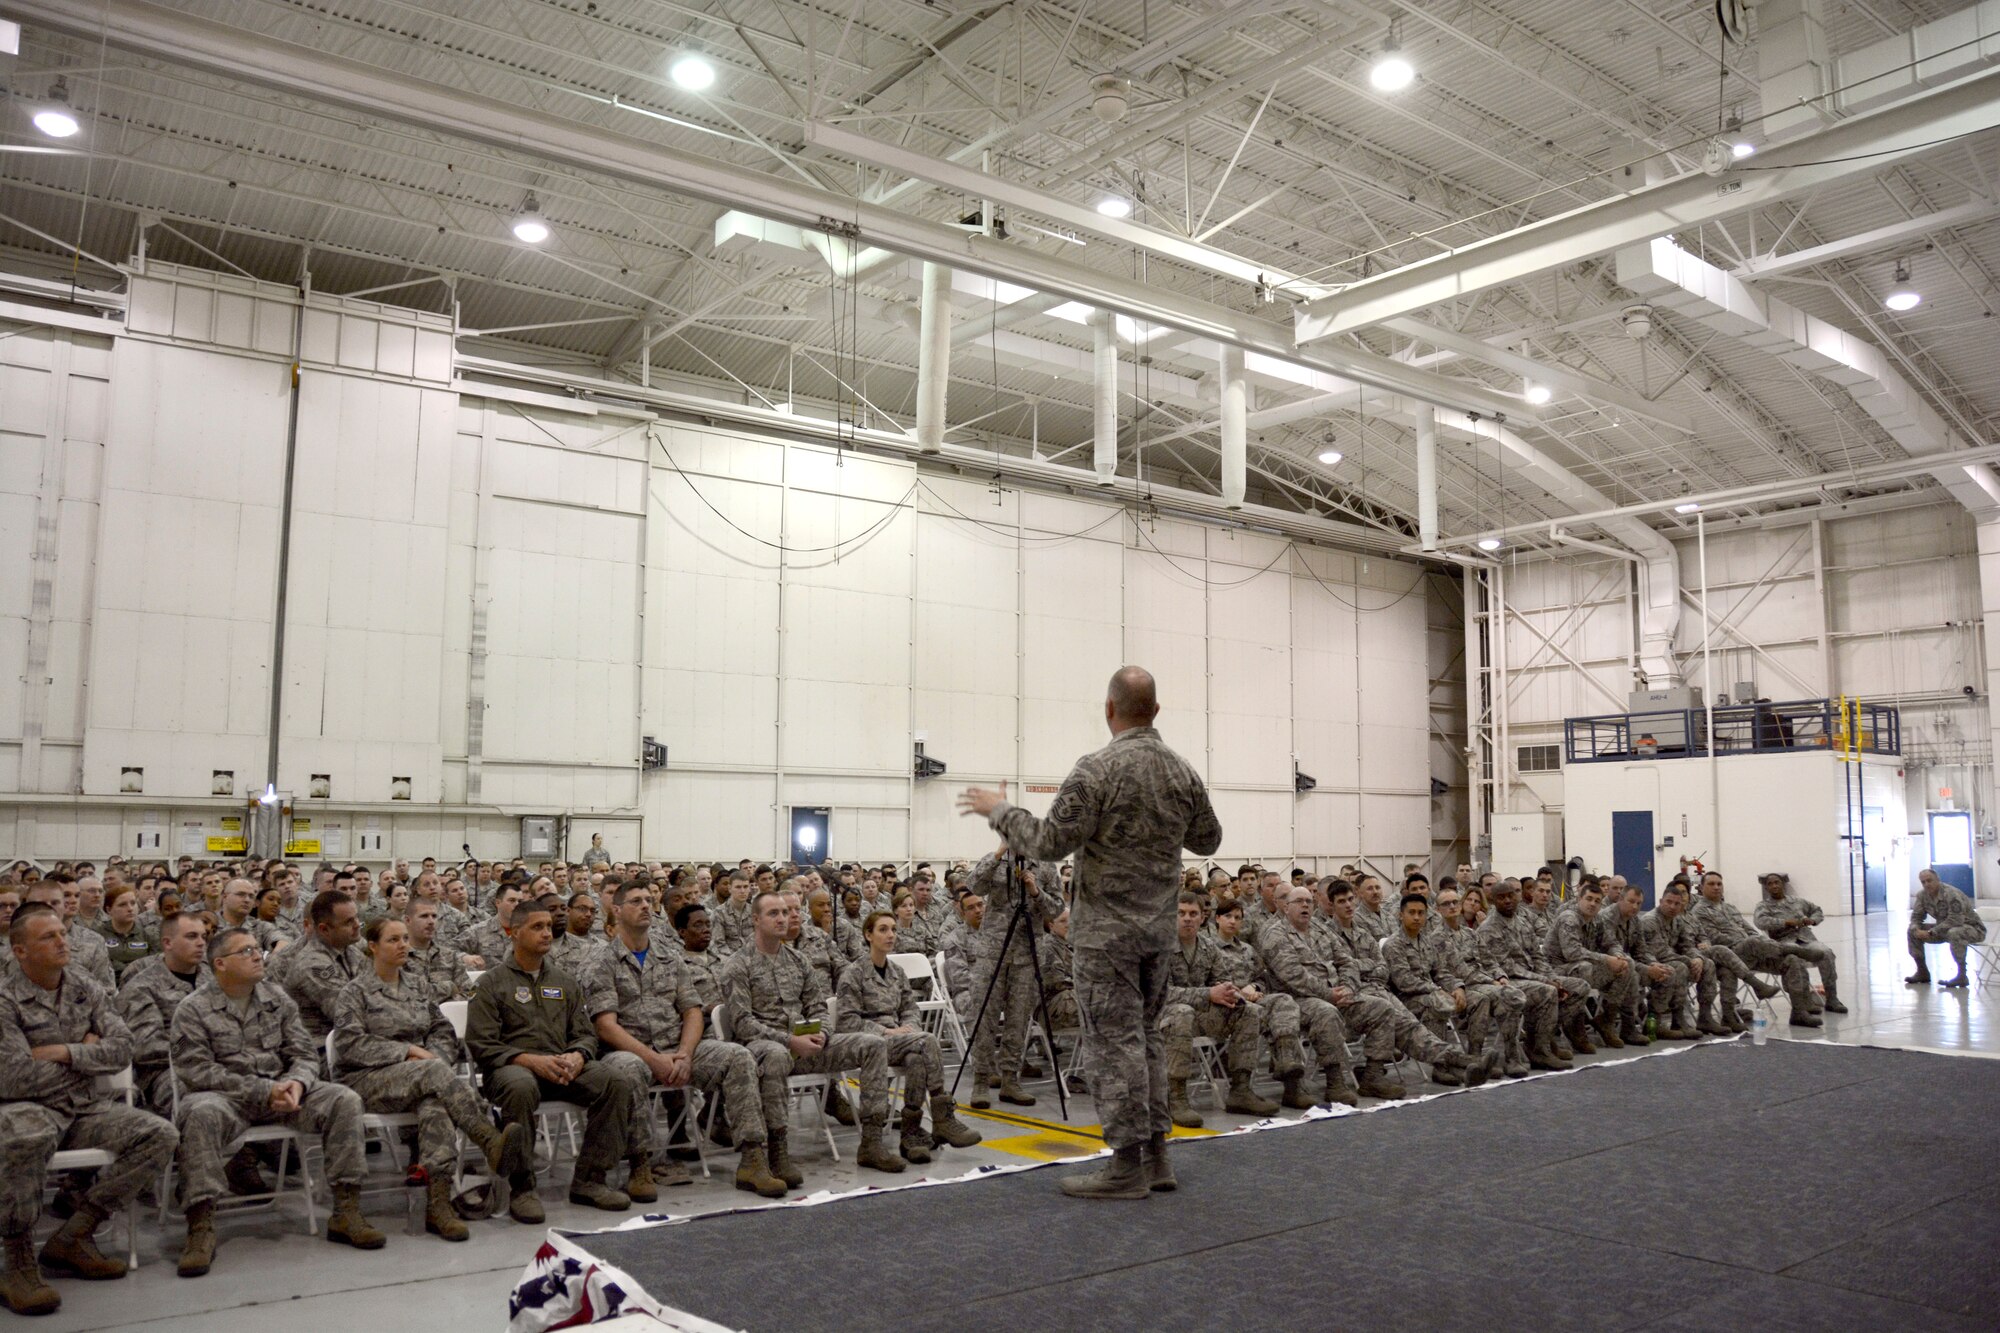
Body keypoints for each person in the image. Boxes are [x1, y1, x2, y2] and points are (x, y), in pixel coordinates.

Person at [958, 666, 1222, 1200]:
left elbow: (1049, 842)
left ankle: (1125, 1167)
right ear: (1157, 710)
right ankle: (1156, 1156)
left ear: (1109, 709)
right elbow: (1209, 840)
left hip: (1106, 936)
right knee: (1145, 1038)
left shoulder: (1097, 769)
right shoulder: (1183, 771)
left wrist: (1000, 810)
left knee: (1112, 1047)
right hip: (1158, 934)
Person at [171, 926, 384, 1276]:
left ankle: (346, 1211)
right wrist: (262, 1090)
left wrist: (296, 1084)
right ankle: (201, 1227)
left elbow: (303, 1052)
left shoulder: (277, 998)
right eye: (246, 951)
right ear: (219, 964)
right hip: (229, 1098)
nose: (258, 955)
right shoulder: (193, 1009)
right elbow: (195, 1070)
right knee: (199, 1113)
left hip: (282, 1093)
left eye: (258, 949)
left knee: (342, 1099)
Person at [0, 907, 179, 1314]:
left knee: (159, 1134)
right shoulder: (4, 998)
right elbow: (11, 1078)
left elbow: (123, 1048)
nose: (63, 941)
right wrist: (89, 1054)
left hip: (84, 1108)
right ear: (20, 951)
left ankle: (76, 1233)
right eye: (49, 937)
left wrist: (64, 1052)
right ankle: (17, 1261)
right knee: (26, 1136)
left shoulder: (85, 986)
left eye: (63, 932)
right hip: (26, 1108)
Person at [586, 882, 787, 1199]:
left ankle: (753, 1159)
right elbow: (606, 1026)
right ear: (617, 909)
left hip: (677, 1050)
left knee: (737, 1056)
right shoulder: (601, 961)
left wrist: (685, 1054)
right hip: (628, 1051)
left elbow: (692, 1012)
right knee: (626, 1070)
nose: (644, 906)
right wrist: (654, 1059)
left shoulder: (669, 957)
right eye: (636, 901)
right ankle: (640, 1164)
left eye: (648, 901)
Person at [332, 918, 529, 1240]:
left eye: (405, 940)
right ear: (372, 947)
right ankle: (487, 1137)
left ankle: (437, 1204)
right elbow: (348, 1044)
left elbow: (441, 1029)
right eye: (393, 940)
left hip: (423, 1076)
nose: (403, 946)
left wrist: (432, 1053)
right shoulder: (354, 992)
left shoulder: (416, 985)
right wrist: (409, 1050)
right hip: (367, 1078)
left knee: (435, 1105)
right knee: (435, 1074)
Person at [465, 901, 636, 1222]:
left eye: (548, 926)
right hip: (510, 1071)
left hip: (561, 1068)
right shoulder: (491, 983)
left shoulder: (564, 981)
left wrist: (578, 1055)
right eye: (537, 927)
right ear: (515, 933)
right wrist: (528, 1060)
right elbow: (481, 1044)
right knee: (520, 1086)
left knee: (615, 1081)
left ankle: (589, 1179)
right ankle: (523, 1186)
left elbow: (585, 1034)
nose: (547, 932)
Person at [719, 892, 904, 1180]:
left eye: (785, 912)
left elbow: (819, 1006)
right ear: (756, 919)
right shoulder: (738, 965)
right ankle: (777, 1151)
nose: (783, 918)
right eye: (773, 914)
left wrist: (823, 1034)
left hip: (808, 1046)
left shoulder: (798, 960)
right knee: (778, 1055)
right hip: (765, 1050)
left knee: (873, 1043)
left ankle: (871, 1142)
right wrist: (790, 1041)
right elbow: (743, 1024)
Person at [835, 911, 983, 1164]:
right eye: (882, 929)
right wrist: (888, 1031)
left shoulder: (897, 971)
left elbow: (910, 1009)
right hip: (871, 1043)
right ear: (868, 935)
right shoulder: (853, 973)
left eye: (893, 929)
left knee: (916, 1057)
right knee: (926, 1042)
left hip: (902, 1040)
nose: (890, 934)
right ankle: (942, 1116)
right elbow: (847, 1021)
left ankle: (910, 1133)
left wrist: (910, 1027)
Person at [1322, 883, 1490, 1095]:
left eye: (1349, 899)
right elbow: (1337, 971)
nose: (1348, 905)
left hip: (1378, 991)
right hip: (1350, 997)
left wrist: (1455, 986)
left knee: (1410, 1027)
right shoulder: (1325, 935)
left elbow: (1382, 969)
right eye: (1341, 901)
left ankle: (1461, 1061)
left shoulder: (1363, 934)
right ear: (1331, 905)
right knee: (1403, 1012)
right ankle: (1455, 1062)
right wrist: (1363, 966)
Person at [1160, 893, 1279, 1125]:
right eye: (1181, 913)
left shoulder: (1207, 947)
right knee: (1181, 1012)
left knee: (1248, 1010)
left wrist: (1228, 992)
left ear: (1203, 918)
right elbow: (1159, 994)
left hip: (1199, 1016)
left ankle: (1240, 1090)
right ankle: (1176, 1097)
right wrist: (1208, 994)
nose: (1187, 919)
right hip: (1162, 1018)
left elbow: (1222, 979)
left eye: (1193, 914)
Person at [963, 848, 1063, 1109]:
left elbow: (1056, 909)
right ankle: (981, 1082)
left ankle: (1010, 1080)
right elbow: (974, 884)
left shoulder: (1046, 866)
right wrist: (997, 855)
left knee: (1018, 1020)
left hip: (1027, 953)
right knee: (984, 1018)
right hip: (992, 954)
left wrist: (1035, 891)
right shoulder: (994, 860)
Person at [1257, 887, 1360, 1109]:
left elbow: (1347, 961)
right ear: (1286, 907)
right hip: (1293, 1000)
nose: (1305, 905)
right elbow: (1293, 975)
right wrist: (1330, 994)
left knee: (1380, 1007)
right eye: (1299, 902)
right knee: (1325, 1012)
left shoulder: (1321, 930)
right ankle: (1334, 1082)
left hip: (1335, 994)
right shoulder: (1275, 935)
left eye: (1309, 902)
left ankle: (1373, 1075)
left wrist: (1348, 988)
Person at [114, 911, 212, 1113]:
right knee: (205, 1099)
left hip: (221, 1063)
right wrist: (197, 1042)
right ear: (167, 943)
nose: (201, 943)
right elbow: (147, 1049)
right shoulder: (142, 988)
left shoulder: (215, 980)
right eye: (192, 936)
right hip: (167, 1073)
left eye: (204, 936)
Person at [1687, 872, 1813, 1024]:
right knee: (1753, 942)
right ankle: (1796, 949)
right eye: (1711, 884)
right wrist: (1747, 942)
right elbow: (1714, 937)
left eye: (1719, 884)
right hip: (1730, 955)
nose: (1716, 887)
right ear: (1701, 888)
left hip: (1752, 954)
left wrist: (1754, 942)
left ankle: (1799, 1012)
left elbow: (1750, 929)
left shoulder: (1729, 907)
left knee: (1791, 960)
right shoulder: (1698, 911)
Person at [1474, 880, 1569, 1070]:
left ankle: (1542, 1042)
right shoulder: (1488, 928)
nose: (1508, 901)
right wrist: (1545, 980)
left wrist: (1553, 977)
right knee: (1547, 991)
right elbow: (1507, 967)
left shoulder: (1522, 922)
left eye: (1511, 896)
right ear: (1492, 901)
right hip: (1506, 980)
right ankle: (1538, 1051)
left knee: (1574, 987)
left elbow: (1537, 955)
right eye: (1501, 898)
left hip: (1532, 976)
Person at [1543, 883, 1634, 1049]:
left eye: (1597, 901)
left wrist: (1618, 956)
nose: (1592, 904)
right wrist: (1607, 959)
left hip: (1582, 967)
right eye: (1589, 899)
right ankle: (1575, 1025)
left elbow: (1611, 943)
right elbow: (1572, 953)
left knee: (1627, 964)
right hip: (1555, 970)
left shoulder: (1597, 919)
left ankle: (1606, 1019)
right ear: (1579, 899)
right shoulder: (1569, 918)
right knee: (1584, 967)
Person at [269, 888, 363, 1047]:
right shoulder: (312, 963)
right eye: (349, 922)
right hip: (319, 1049)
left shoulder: (350, 950)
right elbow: (348, 1013)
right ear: (324, 929)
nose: (357, 925)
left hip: (352, 1040)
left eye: (356, 918)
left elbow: (376, 992)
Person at [1749, 874, 1846, 1009]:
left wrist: (1812, 920)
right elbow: (1760, 922)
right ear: (1766, 887)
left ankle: (1832, 998)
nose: (1774, 886)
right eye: (1770, 884)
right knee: (1794, 958)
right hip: (1784, 942)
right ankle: (1804, 1000)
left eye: (1777, 882)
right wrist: (1785, 922)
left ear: (1783, 884)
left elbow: (1817, 910)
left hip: (1806, 939)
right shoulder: (1764, 906)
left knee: (1826, 953)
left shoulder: (1797, 901)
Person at [1637, 885, 1707, 1039]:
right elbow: (1659, 952)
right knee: (1677, 968)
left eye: (1677, 904)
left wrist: (1697, 958)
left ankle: (1703, 1017)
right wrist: (1689, 962)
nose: (1672, 906)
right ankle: (1655, 1022)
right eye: (1668, 902)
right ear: (1661, 901)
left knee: (1708, 964)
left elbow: (1687, 945)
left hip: (1669, 960)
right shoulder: (1650, 920)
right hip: (1648, 961)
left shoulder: (1678, 921)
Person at [1905, 867, 1987, 987]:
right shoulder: (1922, 896)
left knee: (1954, 932)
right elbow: (1916, 917)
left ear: (1937, 879)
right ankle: (1922, 972)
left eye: (1930, 880)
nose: (1927, 884)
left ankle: (1962, 976)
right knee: (1912, 931)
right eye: (1923, 882)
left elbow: (1956, 920)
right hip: (1944, 929)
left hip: (1972, 929)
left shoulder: (1951, 894)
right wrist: (1916, 929)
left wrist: (1931, 932)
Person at [95, 884, 157, 980]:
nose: (130, 908)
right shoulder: (98, 935)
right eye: (122, 904)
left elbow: (155, 963)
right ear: (109, 910)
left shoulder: (148, 933)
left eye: (133, 903)